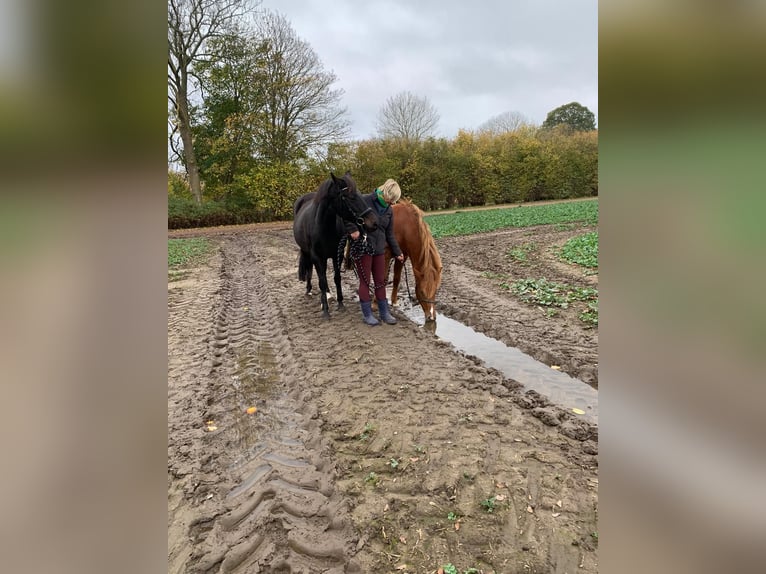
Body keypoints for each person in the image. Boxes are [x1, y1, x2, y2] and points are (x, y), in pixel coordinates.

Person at [346, 179, 405, 326]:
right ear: (385, 192)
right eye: (390, 199)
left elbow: (389, 234)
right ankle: (367, 314)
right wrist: (352, 229)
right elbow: (347, 215)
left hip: (379, 249)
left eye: (394, 201)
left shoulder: (389, 210)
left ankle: (384, 312)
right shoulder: (365, 200)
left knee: (380, 282)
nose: (391, 203)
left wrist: (398, 252)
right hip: (363, 248)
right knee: (365, 282)